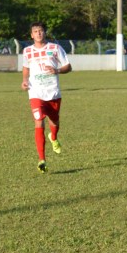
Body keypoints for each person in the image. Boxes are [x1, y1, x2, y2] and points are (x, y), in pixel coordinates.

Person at [21, 22, 72, 173]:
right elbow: (26, 69)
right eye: (35, 31)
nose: (38, 33)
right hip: (35, 92)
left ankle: (54, 137)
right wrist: (24, 80)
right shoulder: (27, 51)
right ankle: (42, 159)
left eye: (41, 31)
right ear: (31, 35)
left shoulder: (55, 48)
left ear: (45, 33)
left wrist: (57, 70)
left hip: (53, 92)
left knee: (54, 121)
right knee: (38, 120)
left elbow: (68, 67)